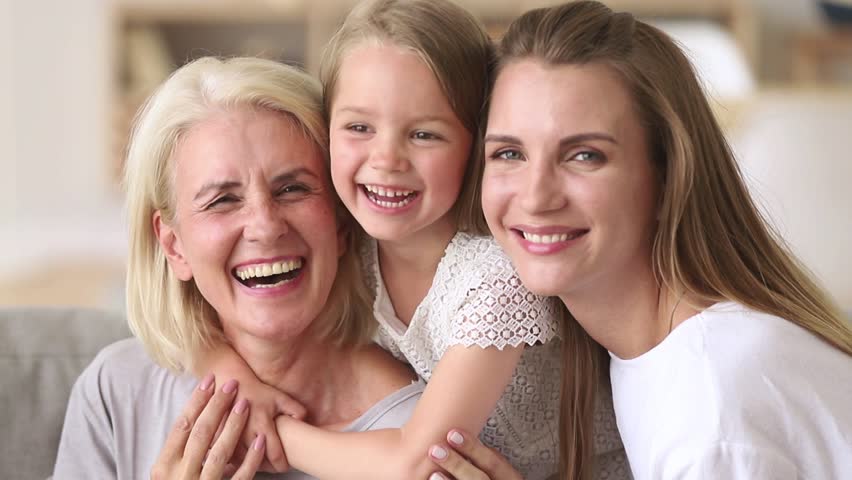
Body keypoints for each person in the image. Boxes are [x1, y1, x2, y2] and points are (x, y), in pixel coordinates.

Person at [195, 1, 628, 479]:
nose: (386, 160)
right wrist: (231, 376)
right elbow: (193, 313)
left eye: (423, 134)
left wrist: (270, 429)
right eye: (359, 127)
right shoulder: (350, 242)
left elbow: (415, 464)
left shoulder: (495, 279)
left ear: (477, 144)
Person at [427, 1, 852, 479]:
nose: (536, 196)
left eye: (585, 155)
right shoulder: (651, 356)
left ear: (668, 174)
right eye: (509, 152)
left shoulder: (710, 402)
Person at [52, 56, 425, 479]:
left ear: (340, 223)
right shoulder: (116, 392)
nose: (265, 227)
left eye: (292, 188)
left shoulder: (423, 435)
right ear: (173, 246)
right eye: (223, 200)